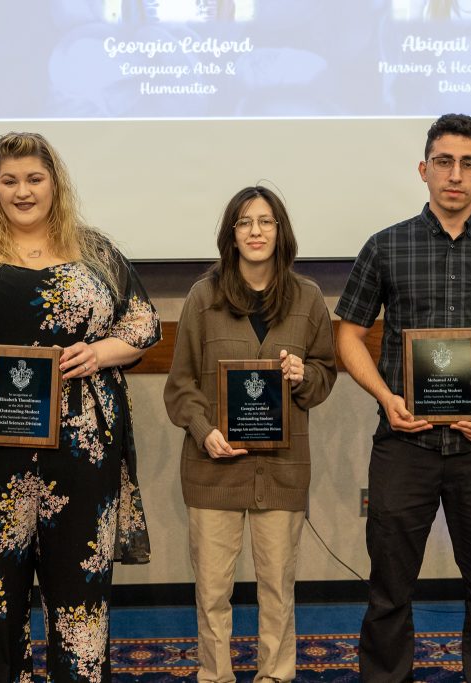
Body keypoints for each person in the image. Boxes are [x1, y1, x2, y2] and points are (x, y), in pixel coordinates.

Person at [0, 131, 159, 682]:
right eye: (10, 180)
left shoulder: (96, 251)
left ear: (55, 183)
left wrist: (97, 353)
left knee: (78, 593)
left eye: (34, 179)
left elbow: (143, 326)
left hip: (81, 451)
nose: (23, 191)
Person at [335, 113, 471, 682]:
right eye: (443, 162)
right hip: (403, 444)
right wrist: (386, 396)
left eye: (468, 163)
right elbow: (347, 335)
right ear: (423, 170)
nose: (455, 174)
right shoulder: (385, 247)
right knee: (388, 591)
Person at [163, 186, 337, 683]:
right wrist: (204, 430)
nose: (256, 231)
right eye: (245, 222)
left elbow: (325, 375)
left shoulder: (307, 299)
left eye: (265, 221)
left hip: (282, 471)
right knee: (213, 591)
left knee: (278, 588)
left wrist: (306, 376)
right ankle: (214, 675)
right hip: (212, 469)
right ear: (231, 234)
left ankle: (275, 676)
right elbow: (180, 388)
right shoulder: (203, 297)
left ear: (281, 231)